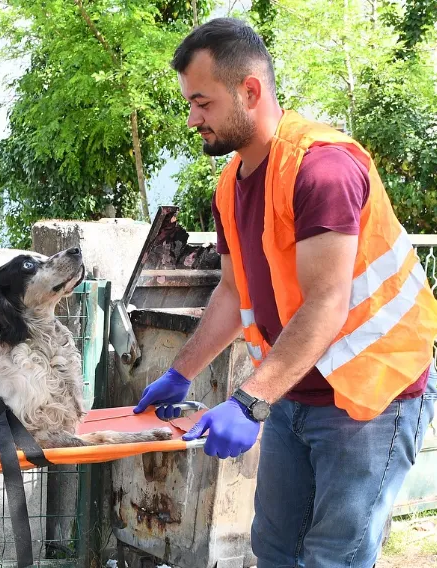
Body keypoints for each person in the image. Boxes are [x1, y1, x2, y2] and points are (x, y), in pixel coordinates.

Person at [133, 17, 437, 568]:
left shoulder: (321, 170)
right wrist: (182, 370)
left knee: (332, 558)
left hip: (372, 393)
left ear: (249, 90)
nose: (191, 118)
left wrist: (249, 402)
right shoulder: (231, 184)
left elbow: (327, 303)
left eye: (201, 102)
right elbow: (231, 290)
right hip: (294, 392)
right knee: (274, 551)